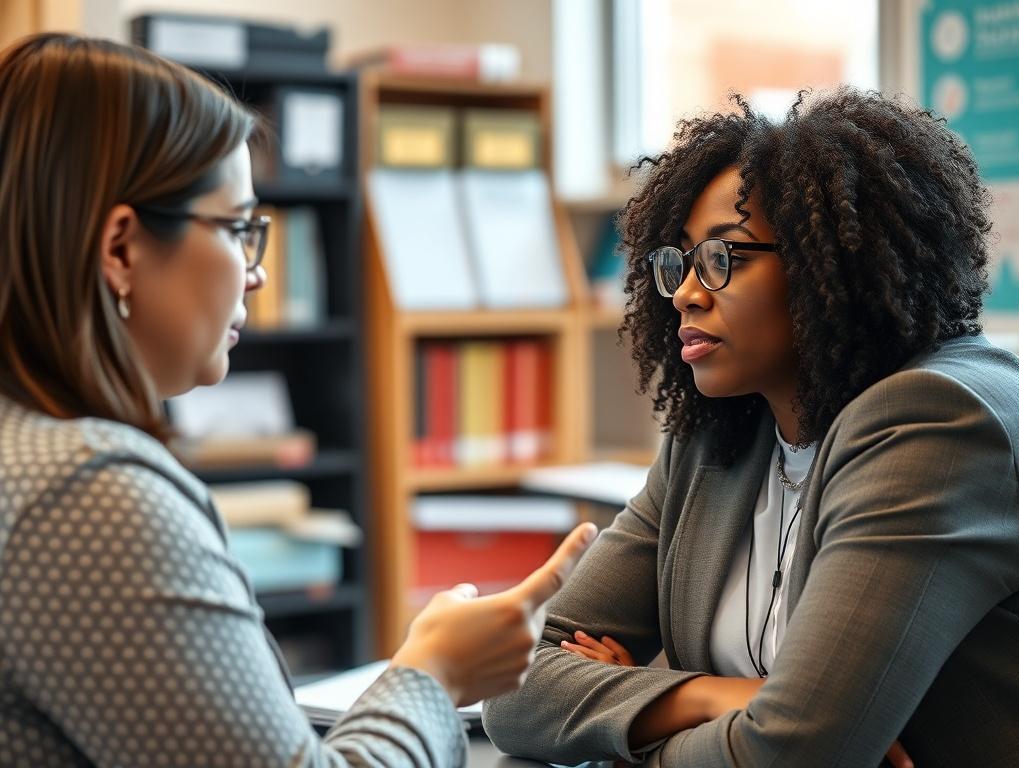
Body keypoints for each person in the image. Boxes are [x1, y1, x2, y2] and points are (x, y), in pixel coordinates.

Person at [0, 33, 597, 768]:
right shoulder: (88, 496)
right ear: (121, 249)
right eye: (240, 228)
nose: (256, 273)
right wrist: (433, 676)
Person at [483, 88, 1019, 767]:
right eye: (679, 262)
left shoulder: (937, 424)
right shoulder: (717, 436)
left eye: (722, 257)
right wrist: (717, 697)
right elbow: (513, 688)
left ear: (834, 261)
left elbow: (790, 754)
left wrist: (634, 715)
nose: (685, 292)